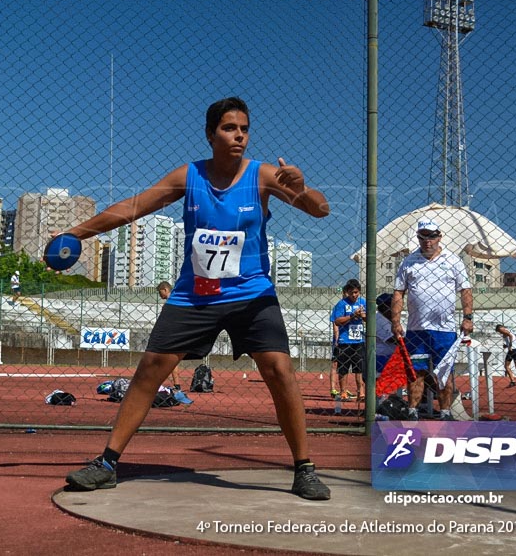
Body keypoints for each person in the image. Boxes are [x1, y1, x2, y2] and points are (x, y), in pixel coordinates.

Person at [63, 97, 331, 500]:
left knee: (279, 370)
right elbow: (134, 207)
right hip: (196, 294)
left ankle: (304, 469)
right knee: (151, 369)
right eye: (228, 127)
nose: (238, 134)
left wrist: (302, 189)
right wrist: (78, 233)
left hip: (251, 293)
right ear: (210, 134)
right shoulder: (189, 176)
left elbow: (321, 211)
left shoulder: (263, 175)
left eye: (244, 128)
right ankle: (106, 463)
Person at [391, 217, 473, 421]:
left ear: (439, 237)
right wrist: (395, 321)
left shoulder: (453, 260)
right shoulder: (408, 262)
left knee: (444, 373)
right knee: (415, 372)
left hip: (444, 330)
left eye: (432, 236)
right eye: (423, 236)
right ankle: (412, 410)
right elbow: (398, 293)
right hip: (416, 330)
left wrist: (468, 317)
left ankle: (445, 412)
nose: (428, 240)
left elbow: (465, 289)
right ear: (418, 238)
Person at [330, 279, 366, 402]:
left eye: (356, 292)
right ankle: (343, 392)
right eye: (351, 293)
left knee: (359, 368)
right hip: (345, 341)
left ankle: (361, 393)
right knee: (343, 368)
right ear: (347, 292)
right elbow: (337, 321)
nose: (354, 295)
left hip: (359, 340)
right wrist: (352, 316)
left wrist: (362, 316)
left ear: (359, 292)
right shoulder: (342, 304)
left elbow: (369, 318)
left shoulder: (363, 302)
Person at [157, 281, 192, 405]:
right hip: (176, 334)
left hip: (173, 335)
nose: (159, 294)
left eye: (160, 291)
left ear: (165, 289)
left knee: (168, 361)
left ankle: (172, 386)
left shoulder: (172, 302)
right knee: (172, 362)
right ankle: (176, 386)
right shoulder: (177, 299)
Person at [495, 324, 516, 389]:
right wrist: (507, 345)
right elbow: (515, 339)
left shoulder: (505, 331)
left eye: (499, 331)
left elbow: (510, 336)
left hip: (512, 350)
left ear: (500, 328)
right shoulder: (510, 331)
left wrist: (510, 345)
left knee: (506, 366)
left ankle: (513, 381)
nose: (500, 332)